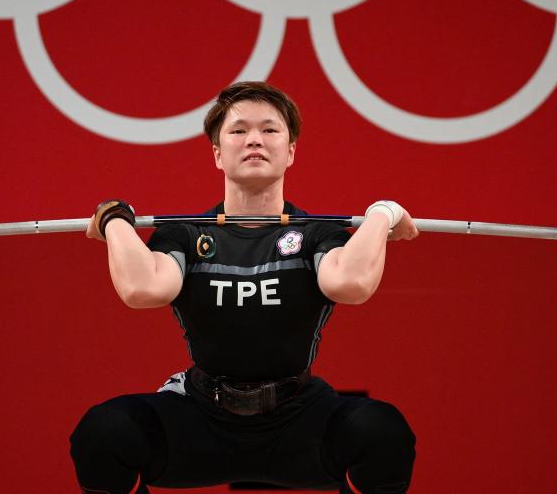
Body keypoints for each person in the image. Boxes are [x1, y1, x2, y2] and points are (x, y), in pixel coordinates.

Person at [72, 81, 418, 494]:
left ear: (291, 151)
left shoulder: (316, 234)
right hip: (201, 421)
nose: (254, 139)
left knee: (382, 430)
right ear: (218, 154)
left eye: (270, 130)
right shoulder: (185, 234)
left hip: (299, 423)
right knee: (104, 432)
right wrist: (114, 218)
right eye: (238, 131)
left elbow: (351, 283)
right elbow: (141, 288)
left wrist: (383, 212)